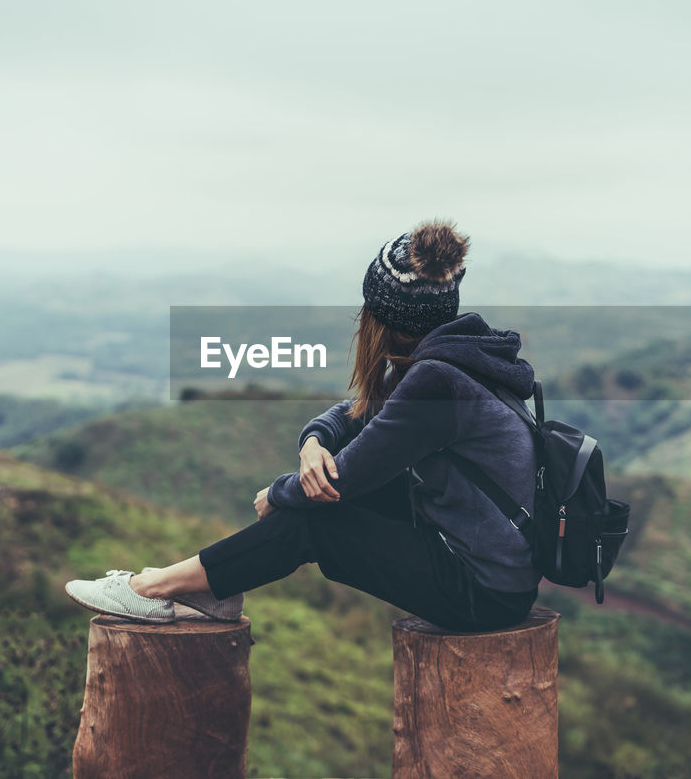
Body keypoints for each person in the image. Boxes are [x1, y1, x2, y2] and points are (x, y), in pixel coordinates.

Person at [65, 220, 540, 632]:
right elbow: (352, 415)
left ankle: (154, 588)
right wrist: (313, 442)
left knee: (315, 521)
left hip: (483, 589)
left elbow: (344, 479)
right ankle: (211, 591)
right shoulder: (454, 358)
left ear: (385, 318)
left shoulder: (437, 381)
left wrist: (277, 493)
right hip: (484, 562)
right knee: (318, 503)